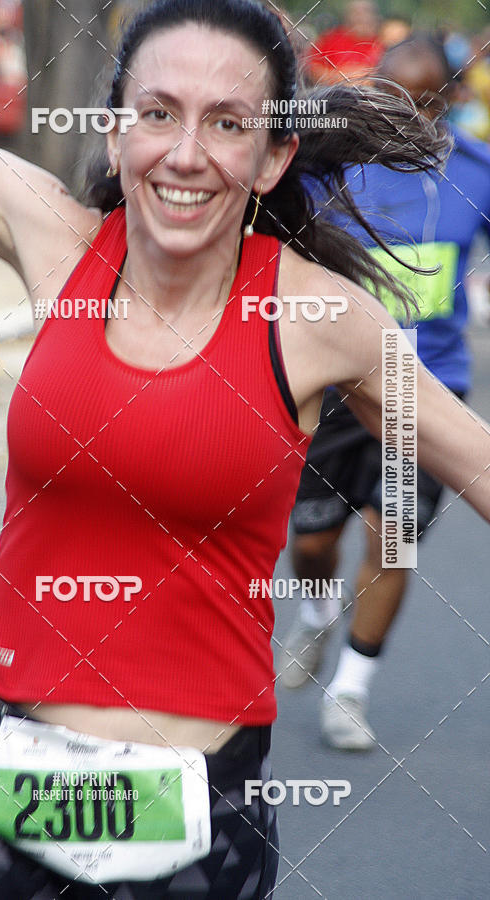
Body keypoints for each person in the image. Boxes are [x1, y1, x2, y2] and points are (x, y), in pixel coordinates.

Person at [0, 0, 489, 896]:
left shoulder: (320, 318)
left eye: (227, 124)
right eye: (158, 112)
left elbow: (479, 464)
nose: (184, 153)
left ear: (273, 156)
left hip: (199, 818)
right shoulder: (55, 242)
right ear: (114, 134)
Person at [279, 35, 490, 750]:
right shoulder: (330, 168)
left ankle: (351, 690)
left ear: (454, 102)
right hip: (337, 384)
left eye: (428, 104)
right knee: (311, 543)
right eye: (395, 102)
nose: (412, 119)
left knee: (392, 538)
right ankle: (314, 616)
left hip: (425, 388)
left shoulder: (479, 174)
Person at [307, 1, 383, 84]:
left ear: (374, 15)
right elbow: (313, 68)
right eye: (356, 12)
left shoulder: (382, 43)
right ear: (347, 15)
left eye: (366, 11)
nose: (361, 17)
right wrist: (339, 78)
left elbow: (388, 73)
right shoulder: (330, 39)